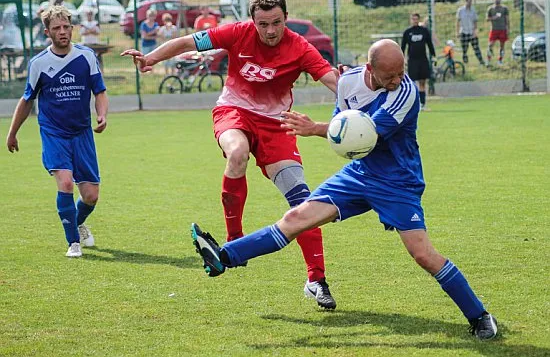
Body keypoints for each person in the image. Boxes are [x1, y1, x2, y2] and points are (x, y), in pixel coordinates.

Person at [191, 39, 498, 340]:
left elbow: (363, 135)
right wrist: (331, 130)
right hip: (358, 174)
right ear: (369, 68)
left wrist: (315, 129)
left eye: (400, 72)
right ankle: (224, 257)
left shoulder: (405, 93)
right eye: (389, 75)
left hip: (397, 182)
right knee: (297, 218)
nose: (397, 80)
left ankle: (480, 316)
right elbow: (345, 130)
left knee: (423, 254)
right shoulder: (348, 82)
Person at [121, 0, 340, 309]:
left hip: (277, 125)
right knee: (236, 153)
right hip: (233, 112)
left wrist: (359, 97)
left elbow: (333, 80)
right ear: (252, 21)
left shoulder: (299, 47)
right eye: (263, 24)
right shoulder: (237, 33)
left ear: (285, 19)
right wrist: (151, 58)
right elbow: (187, 42)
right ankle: (235, 237)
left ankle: (316, 280)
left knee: (304, 204)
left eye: (276, 23)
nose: (270, 31)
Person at [5, 5, 108, 257]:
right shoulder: (38, 63)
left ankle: (78, 221)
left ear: (72, 28)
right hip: (53, 133)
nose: (62, 32)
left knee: (91, 196)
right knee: (64, 183)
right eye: (56, 29)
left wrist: (102, 113)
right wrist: (12, 132)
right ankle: (73, 242)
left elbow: (100, 91)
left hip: (82, 132)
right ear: (47, 33)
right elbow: (27, 100)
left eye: (66, 27)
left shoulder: (86, 56)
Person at [401, 13, 435, 111]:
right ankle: (413, 105)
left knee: (422, 82)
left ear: (418, 20)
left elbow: (429, 44)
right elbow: (403, 47)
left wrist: (433, 55)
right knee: (412, 83)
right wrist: (402, 59)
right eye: (413, 19)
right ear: (411, 20)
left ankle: (422, 104)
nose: (415, 21)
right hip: (412, 60)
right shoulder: (407, 32)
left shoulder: (424, 31)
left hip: (423, 60)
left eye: (416, 19)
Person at [456, 0, 485, 66]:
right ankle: (465, 62)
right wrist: (457, 32)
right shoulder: (460, 10)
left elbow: (475, 22)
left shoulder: (473, 10)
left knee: (476, 47)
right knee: (464, 49)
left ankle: (481, 61)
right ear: (465, 1)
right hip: (463, 32)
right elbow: (457, 22)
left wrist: (475, 31)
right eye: (468, 2)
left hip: (471, 32)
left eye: (471, 2)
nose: (470, 3)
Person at [486, 0, 509, 66]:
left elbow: (507, 19)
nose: (497, 0)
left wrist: (508, 29)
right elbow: (487, 19)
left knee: (502, 46)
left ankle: (500, 60)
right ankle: (488, 60)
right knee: (490, 45)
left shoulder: (504, 8)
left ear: (501, 0)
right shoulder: (490, 8)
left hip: (502, 29)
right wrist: (494, 17)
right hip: (494, 30)